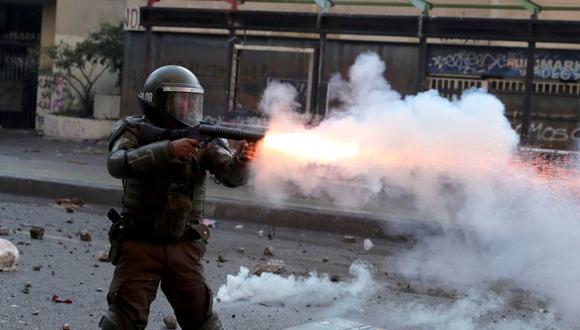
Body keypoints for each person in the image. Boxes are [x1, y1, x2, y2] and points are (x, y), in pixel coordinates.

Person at [99, 65, 256, 330]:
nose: (186, 106)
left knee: (204, 322)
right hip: (140, 241)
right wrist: (167, 149)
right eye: (178, 99)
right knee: (122, 322)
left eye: (190, 100)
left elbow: (231, 177)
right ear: (158, 102)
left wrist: (242, 161)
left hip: (183, 245)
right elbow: (117, 164)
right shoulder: (133, 131)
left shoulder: (203, 137)